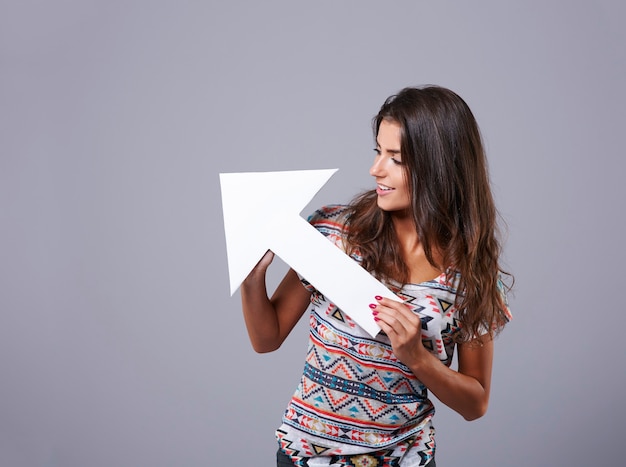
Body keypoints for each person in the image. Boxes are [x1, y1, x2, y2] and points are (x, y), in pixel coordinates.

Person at [240, 85, 512, 466]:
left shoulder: (473, 277)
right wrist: (252, 278)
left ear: (439, 166)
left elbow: (476, 403)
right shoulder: (334, 232)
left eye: (395, 158)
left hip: (404, 459)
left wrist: (417, 357)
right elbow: (266, 339)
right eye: (378, 151)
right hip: (306, 458)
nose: (375, 169)